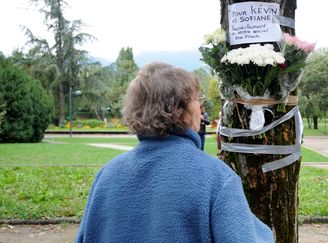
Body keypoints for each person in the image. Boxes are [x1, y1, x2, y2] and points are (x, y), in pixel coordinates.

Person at [75, 62, 274, 243]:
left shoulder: (106, 175)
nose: (200, 106)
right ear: (180, 109)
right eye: (197, 99)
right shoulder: (216, 178)